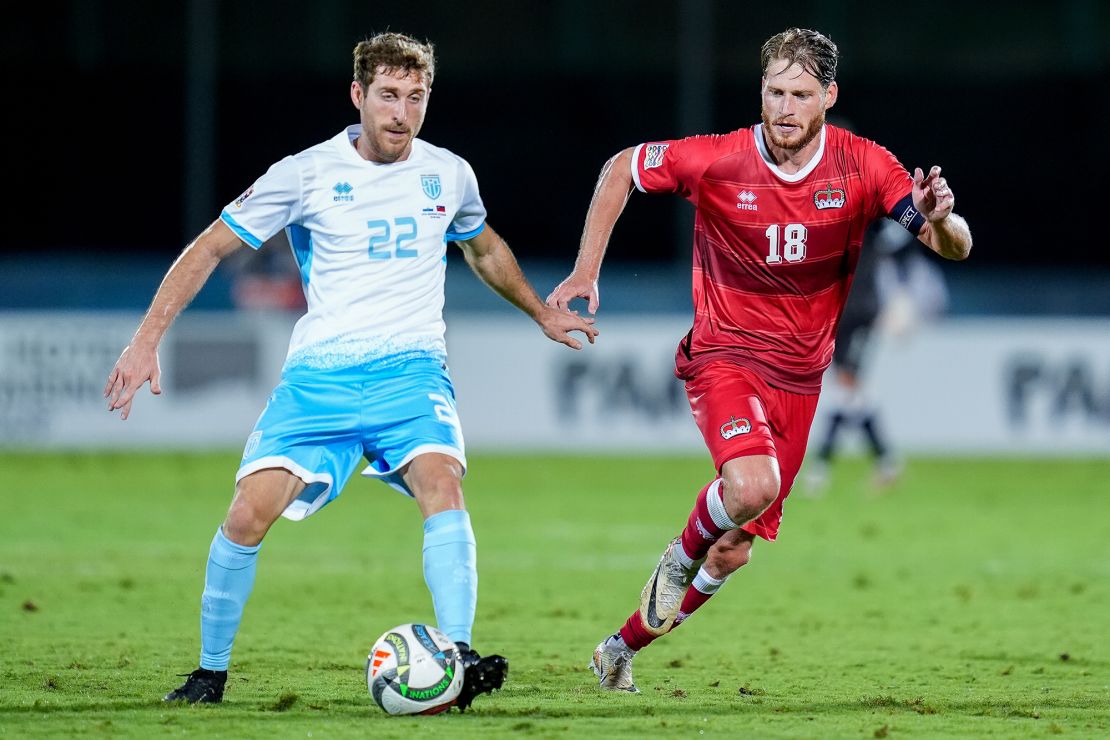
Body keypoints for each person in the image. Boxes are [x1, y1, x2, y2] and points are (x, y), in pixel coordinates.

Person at [104, 32, 596, 709]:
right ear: (358, 95)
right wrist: (145, 339)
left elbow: (482, 249)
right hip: (320, 378)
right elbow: (211, 246)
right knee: (247, 514)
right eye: (388, 96)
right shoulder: (304, 173)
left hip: (411, 371)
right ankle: (209, 675)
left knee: (443, 484)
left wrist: (540, 312)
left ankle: (458, 658)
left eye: (415, 98)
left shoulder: (448, 174)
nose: (401, 113)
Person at [547, 27, 971, 693]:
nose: (785, 107)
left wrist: (940, 218)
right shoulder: (718, 160)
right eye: (775, 91)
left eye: (801, 94)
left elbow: (954, 245)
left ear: (828, 96)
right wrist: (585, 270)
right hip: (726, 355)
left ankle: (620, 648)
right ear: (762, 92)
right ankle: (679, 556)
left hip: (801, 380)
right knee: (747, 489)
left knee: (735, 547)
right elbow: (622, 167)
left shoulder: (864, 166)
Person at [804, 218, 923, 492]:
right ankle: (886, 461)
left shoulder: (870, 225)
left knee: (846, 387)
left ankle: (821, 467)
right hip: (837, 316)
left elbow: (904, 237)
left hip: (859, 315)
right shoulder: (831, 225)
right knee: (851, 394)